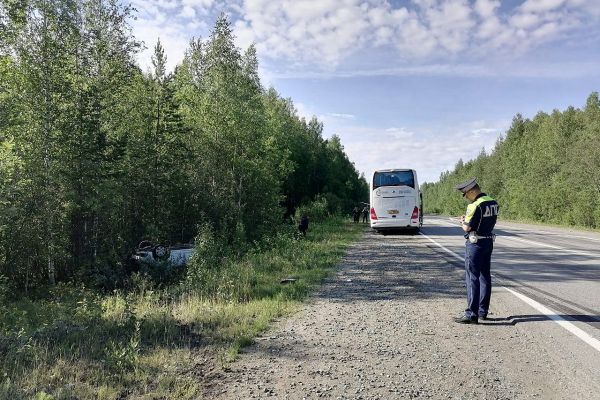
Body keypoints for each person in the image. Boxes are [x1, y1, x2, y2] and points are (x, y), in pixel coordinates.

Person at [454, 178, 499, 324]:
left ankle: (471, 314)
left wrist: (462, 221)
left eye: (466, 194)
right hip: (488, 241)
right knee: (485, 276)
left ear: (472, 190)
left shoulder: (474, 205)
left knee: (472, 277)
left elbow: (467, 228)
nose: (465, 197)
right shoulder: (493, 202)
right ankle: (482, 311)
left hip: (475, 244)